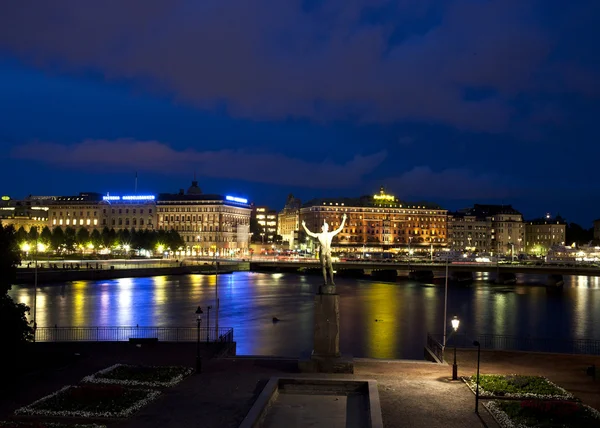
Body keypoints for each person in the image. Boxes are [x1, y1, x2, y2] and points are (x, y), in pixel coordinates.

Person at [302, 213, 347, 286]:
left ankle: (331, 281)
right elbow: (310, 233)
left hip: (328, 252)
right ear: (322, 228)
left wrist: (344, 219)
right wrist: (304, 226)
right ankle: (326, 282)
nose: (325, 227)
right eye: (324, 226)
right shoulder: (320, 235)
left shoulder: (330, 234)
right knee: (324, 267)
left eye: (326, 226)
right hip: (323, 252)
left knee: (330, 267)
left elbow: (340, 228)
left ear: (327, 228)